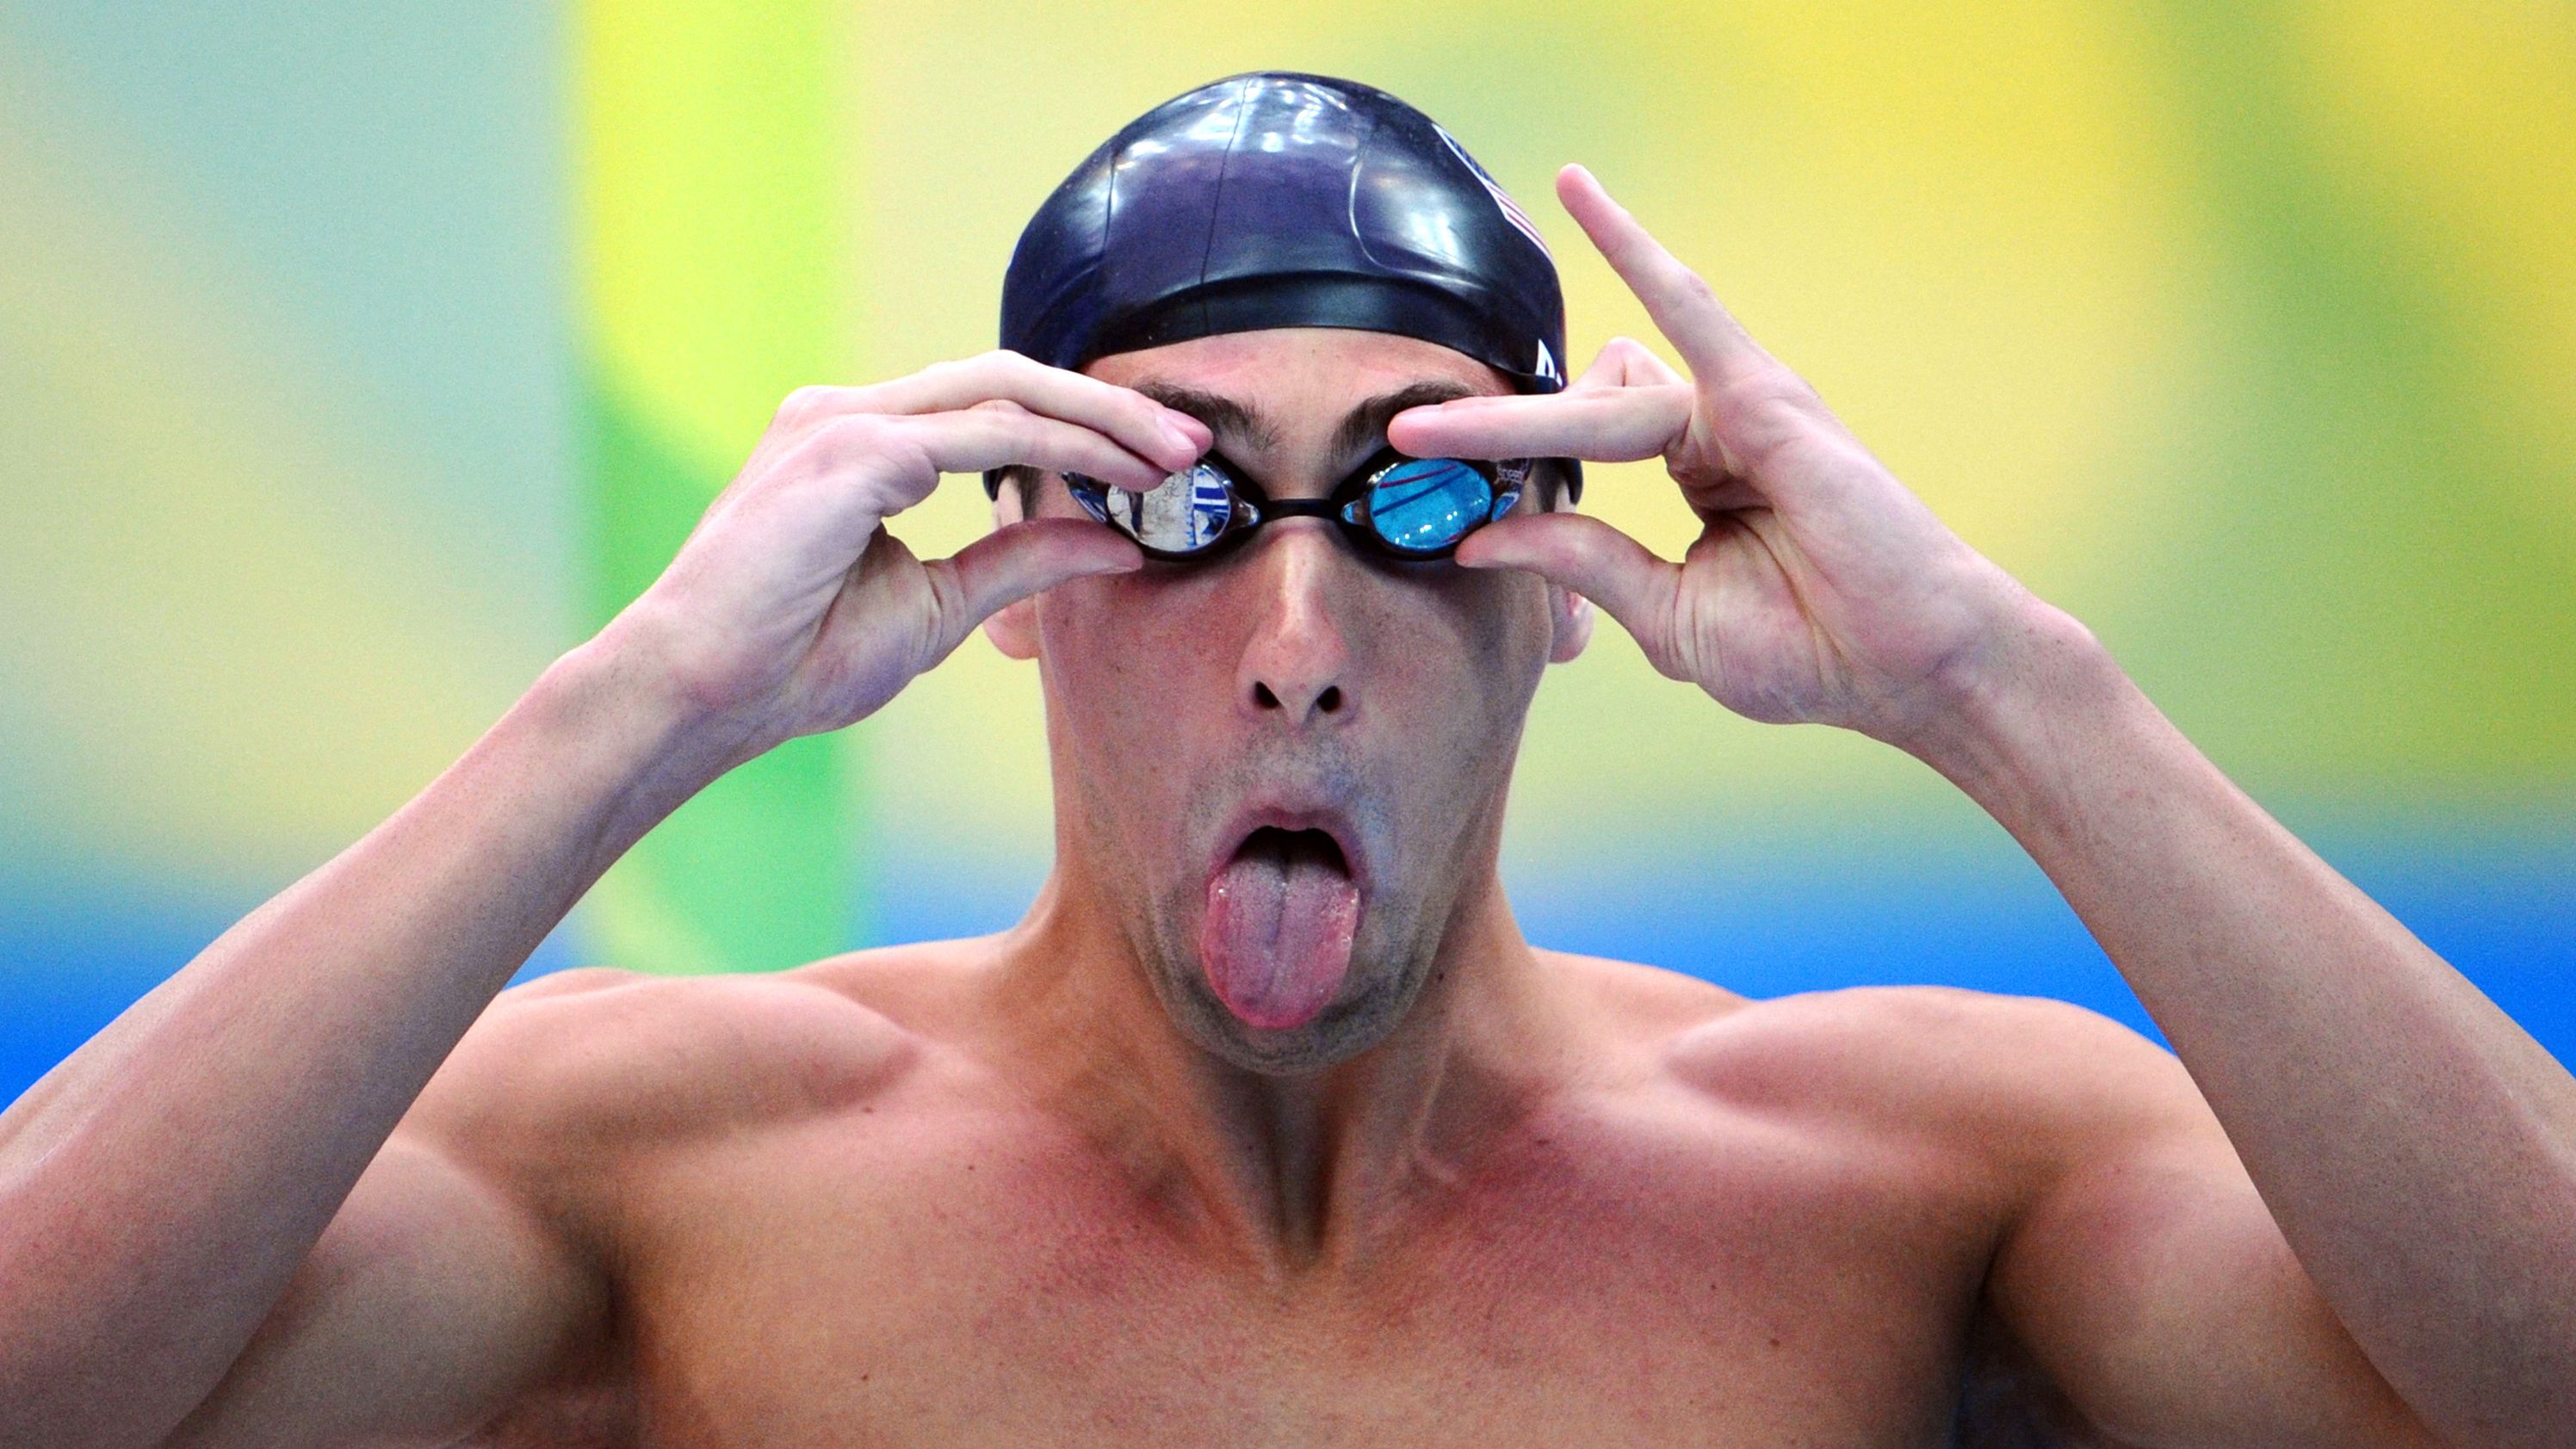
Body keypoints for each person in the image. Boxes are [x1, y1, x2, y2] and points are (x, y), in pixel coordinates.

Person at [1, 71, 2567, 1449]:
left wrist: (2004, 681)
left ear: (1574, 587)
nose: (1302, 637)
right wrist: (630, 713)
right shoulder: (677, 1176)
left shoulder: (1900, 1178)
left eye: (1430, 495)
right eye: (1180, 506)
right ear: (1004, 575)